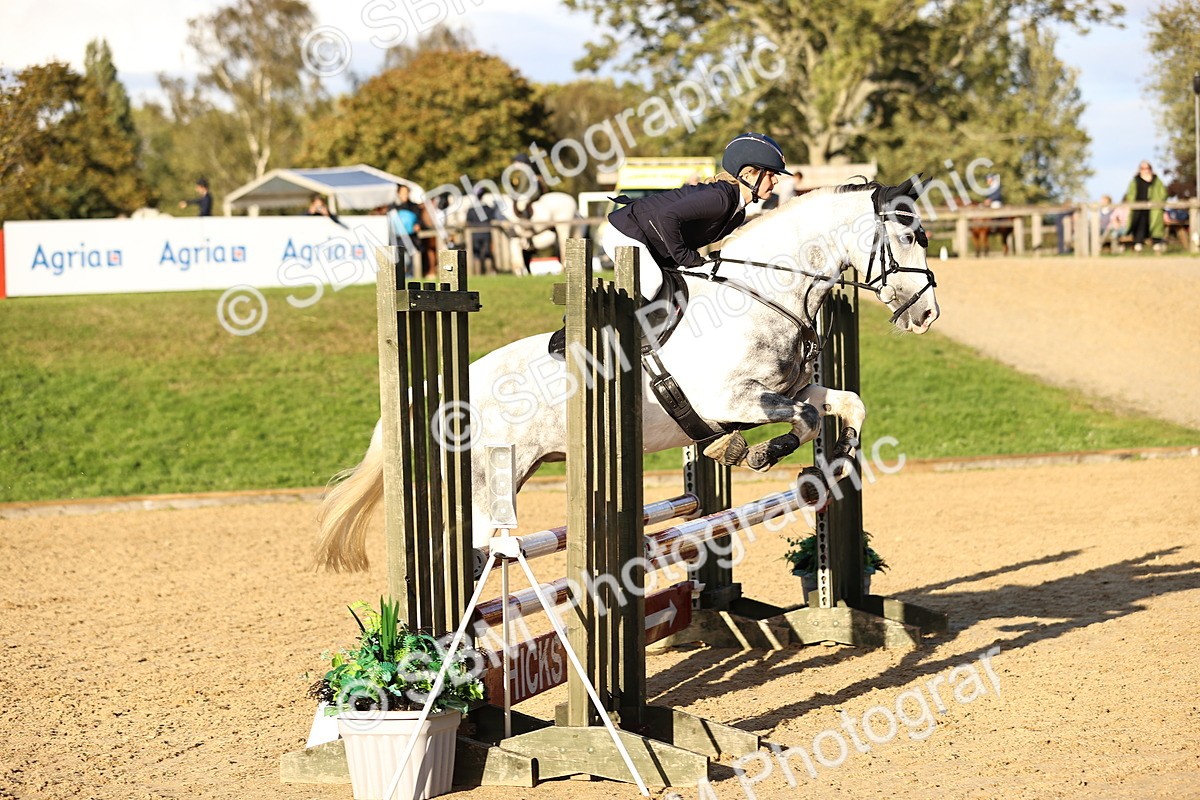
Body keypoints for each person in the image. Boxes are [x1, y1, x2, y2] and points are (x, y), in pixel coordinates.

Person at [603, 132, 790, 301]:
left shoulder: (737, 213)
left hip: (649, 241)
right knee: (653, 282)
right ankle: (623, 337)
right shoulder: (720, 198)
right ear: (749, 175)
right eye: (771, 174)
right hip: (627, 231)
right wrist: (686, 258)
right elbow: (667, 217)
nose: (775, 181)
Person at [1124, 161, 1168, 252]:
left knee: (1155, 225)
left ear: (1150, 169)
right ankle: (1138, 244)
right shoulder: (1135, 180)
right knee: (1139, 223)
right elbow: (1130, 194)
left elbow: (1163, 193)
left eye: (1147, 168)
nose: (1145, 170)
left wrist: (1159, 202)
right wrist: (1132, 204)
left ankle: (1156, 244)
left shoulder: (1157, 180)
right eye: (1142, 168)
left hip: (1154, 208)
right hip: (1138, 208)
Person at [387, 184, 424, 277]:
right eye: (402, 193)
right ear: (398, 193)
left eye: (406, 193)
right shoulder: (393, 207)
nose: (405, 195)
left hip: (412, 237)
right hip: (398, 237)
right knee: (400, 258)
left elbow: (419, 220)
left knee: (412, 258)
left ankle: (411, 274)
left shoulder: (414, 207)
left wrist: (418, 225)